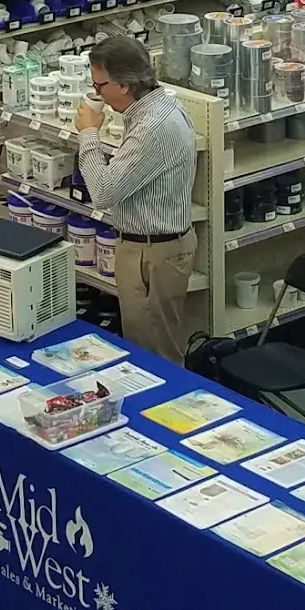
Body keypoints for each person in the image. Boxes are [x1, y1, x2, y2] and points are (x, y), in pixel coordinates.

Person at [73, 32, 197, 365]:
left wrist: (88, 133)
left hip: (152, 254)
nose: (97, 93)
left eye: (99, 86)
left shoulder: (153, 127)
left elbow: (102, 192)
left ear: (124, 85)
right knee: (146, 344)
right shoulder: (156, 107)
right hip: (150, 247)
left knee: (153, 355)